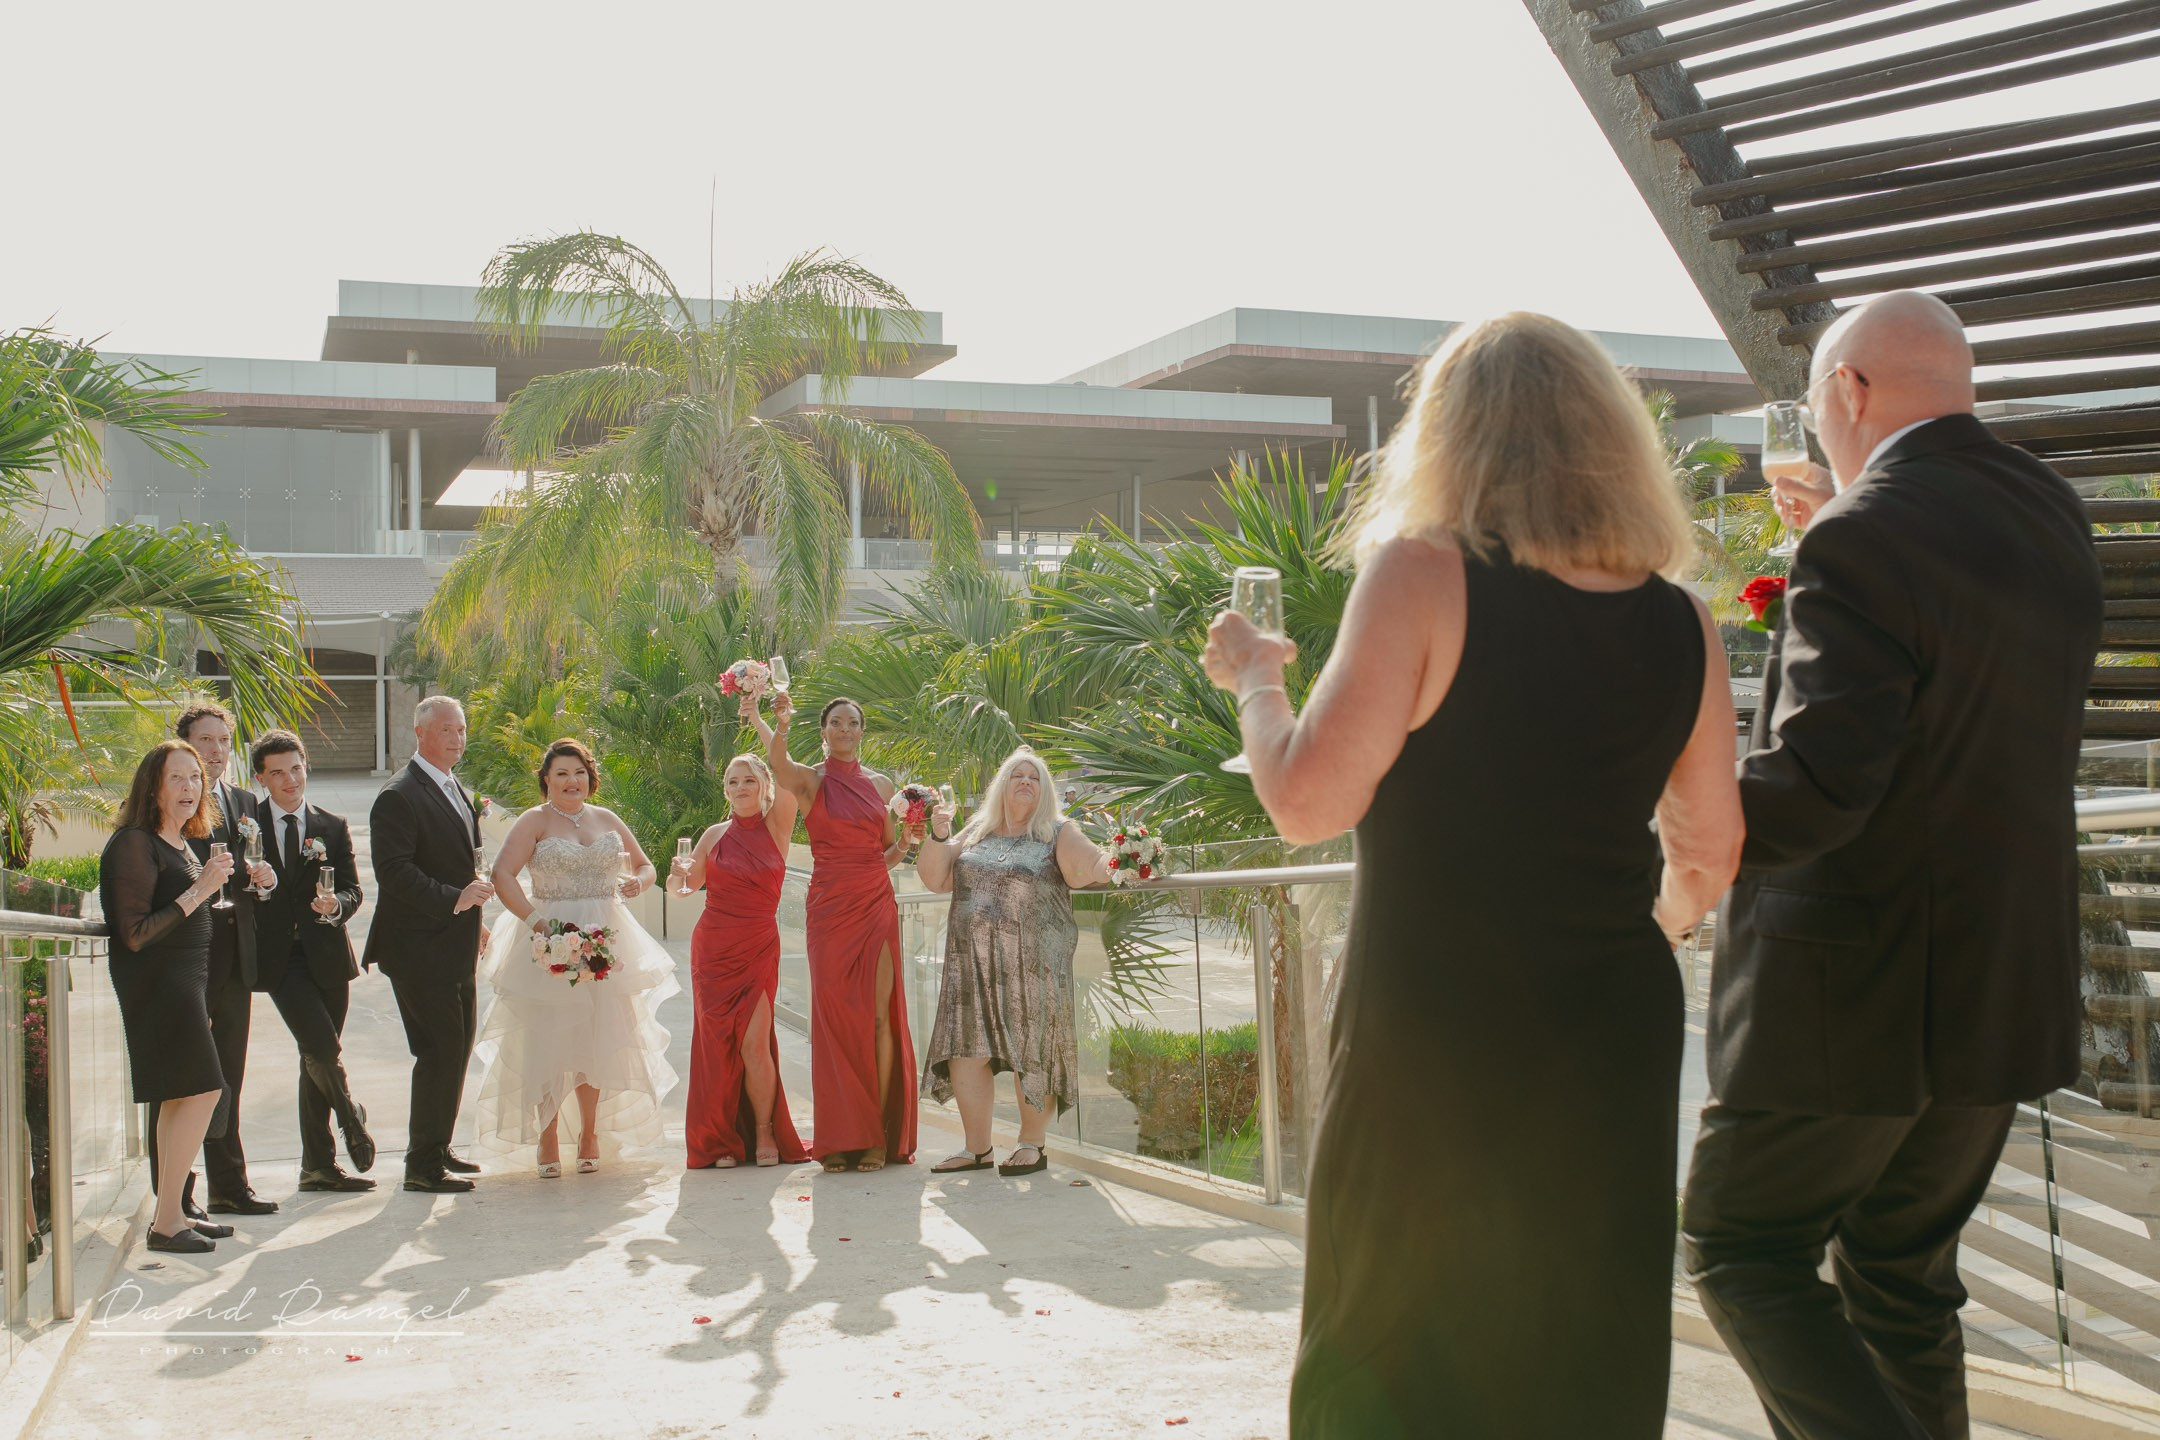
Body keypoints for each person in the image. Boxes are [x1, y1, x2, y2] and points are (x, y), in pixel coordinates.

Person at [1203, 312, 1743, 1436]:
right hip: (1609, 1031)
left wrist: (1256, 679)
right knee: (1582, 1336)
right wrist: (1645, 930)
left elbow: (1306, 801)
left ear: (1449, 438)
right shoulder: (1684, 622)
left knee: (1399, 1331)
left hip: (1437, 1027)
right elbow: (1708, 852)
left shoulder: (1424, 575)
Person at [1681, 291, 2104, 1440]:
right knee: (1898, 1279)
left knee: (1740, 1250)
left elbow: (1819, 791)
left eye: (1819, 404)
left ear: (1849, 392)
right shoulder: (2048, 510)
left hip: (1851, 1002)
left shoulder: (1863, 537)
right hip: (1996, 994)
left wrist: (1681, 808)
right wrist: (1835, 525)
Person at [473, 738, 678, 1175]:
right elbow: (502, 875)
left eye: (579, 772)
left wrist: (637, 884)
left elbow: (646, 867)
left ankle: (589, 1133)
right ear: (546, 780)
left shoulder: (606, 818)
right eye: (562, 773)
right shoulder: (534, 821)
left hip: (607, 939)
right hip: (550, 940)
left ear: (590, 778)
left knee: (598, 1038)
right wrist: (537, 924)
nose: (572, 781)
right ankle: (547, 1136)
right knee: (548, 1040)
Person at [915, 747, 1113, 1178]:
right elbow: (934, 878)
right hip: (971, 964)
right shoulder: (975, 831)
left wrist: (1126, 858)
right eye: (1016, 775)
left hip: (1033, 965)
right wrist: (938, 834)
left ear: (1045, 791)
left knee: (1033, 1048)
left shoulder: (1058, 831)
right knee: (966, 1051)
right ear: (1001, 786)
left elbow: (1090, 867)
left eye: (1035, 777)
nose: (1025, 782)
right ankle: (977, 1148)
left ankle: (1032, 1144)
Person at [766, 692, 917, 1172]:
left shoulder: (882, 784)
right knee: (833, 1022)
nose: (845, 729)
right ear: (824, 730)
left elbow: (887, 852)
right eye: (836, 722)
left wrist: (910, 842)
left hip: (876, 905)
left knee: (878, 1019)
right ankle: (838, 1136)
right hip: (829, 910)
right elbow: (778, 766)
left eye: (853, 722)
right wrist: (780, 723)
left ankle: (874, 1135)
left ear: (862, 731)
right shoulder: (811, 781)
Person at [100, 741, 238, 1253]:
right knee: (203, 1090)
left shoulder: (178, 841)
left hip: (186, 985)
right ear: (151, 786)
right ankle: (165, 1223)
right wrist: (199, 891)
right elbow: (133, 933)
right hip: (158, 986)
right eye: (176, 778)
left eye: (195, 778)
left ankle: (172, 1213)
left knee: (183, 1095)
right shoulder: (133, 843)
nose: (189, 787)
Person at [364, 696, 495, 1193]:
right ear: (419, 733)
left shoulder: (456, 788)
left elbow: (463, 865)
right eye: (446, 730)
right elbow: (394, 873)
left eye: (461, 729)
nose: (457, 738)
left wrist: (472, 915)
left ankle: (438, 1146)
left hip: (455, 942)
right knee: (438, 1049)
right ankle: (421, 1166)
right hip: (417, 947)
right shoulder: (399, 794)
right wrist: (454, 900)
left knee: (458, 1048)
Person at [680, 711, 809, 1170]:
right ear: (726, 791)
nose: (740, 788)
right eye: (732, 782)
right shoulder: (714, 835)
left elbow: (788, 769)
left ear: (763, 787)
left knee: (755, 1045)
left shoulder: (779, 826)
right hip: (712, 948)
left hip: (757, 946)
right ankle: (719, 1140)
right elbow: (687, 888)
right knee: (716, 1047)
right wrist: (680, 875)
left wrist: (759, 718)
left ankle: (763, 1131)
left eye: (748, 780)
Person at [248, 729, 376, 1193]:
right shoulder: (247, 824)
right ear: (262, 778)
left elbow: (353, 889)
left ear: (307, 768)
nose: (289, 780)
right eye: (277, 772)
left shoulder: (332, 825)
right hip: (281, 962)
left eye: (296, 769)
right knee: (322, 1048)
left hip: (327, 955)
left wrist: (336, 905)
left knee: (314, 1059)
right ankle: (351, 1120)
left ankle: (316, 1167)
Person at [173, 702, 281, 1218]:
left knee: (229, 1075)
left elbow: (258, 867)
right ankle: (176, 1193)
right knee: (185, 1078)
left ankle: (229, 1186)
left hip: (237, 957)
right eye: (205, 740)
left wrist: (266, 880)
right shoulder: (171, 801)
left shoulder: (243, 800)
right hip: (189, 955)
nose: (216, 751)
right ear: (185, 744)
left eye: (222, 740)